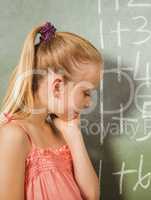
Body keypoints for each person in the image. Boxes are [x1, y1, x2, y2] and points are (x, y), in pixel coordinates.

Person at [0, 21, 103, 200]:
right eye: (86, 92)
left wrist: (74, 135)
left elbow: (92, 195)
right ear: (57, 87)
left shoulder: (59, 131)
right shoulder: (15, 136)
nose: (89, 103)